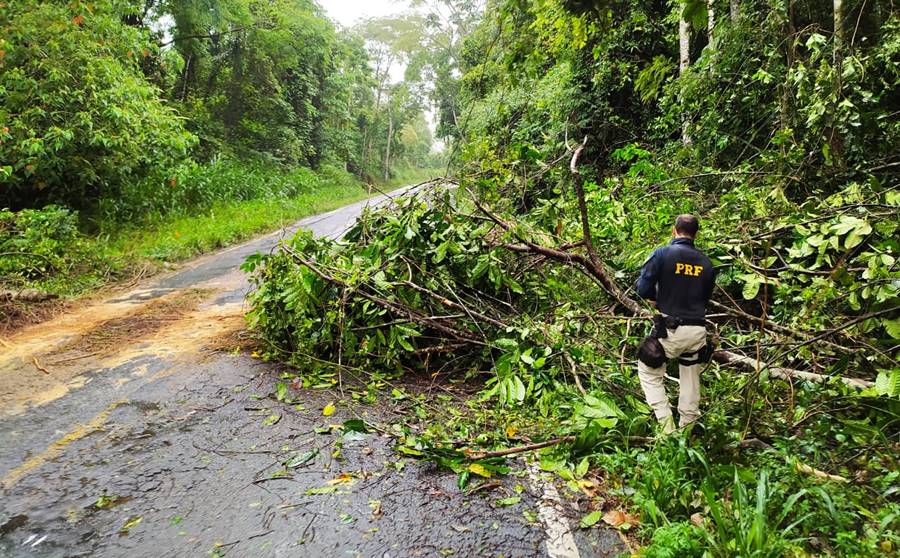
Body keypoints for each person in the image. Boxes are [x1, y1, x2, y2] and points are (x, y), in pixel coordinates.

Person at [635, 214, 715, 434]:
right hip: (697, 330)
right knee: (690, 376)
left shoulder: (663, 254)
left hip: (672, 329)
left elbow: (642, 289)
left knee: (648, 372)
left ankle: (667, 427)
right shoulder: (707, 263)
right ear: (696, 234)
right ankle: (686, 428)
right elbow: (705, 298)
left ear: (674, 230)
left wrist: (656, 297)